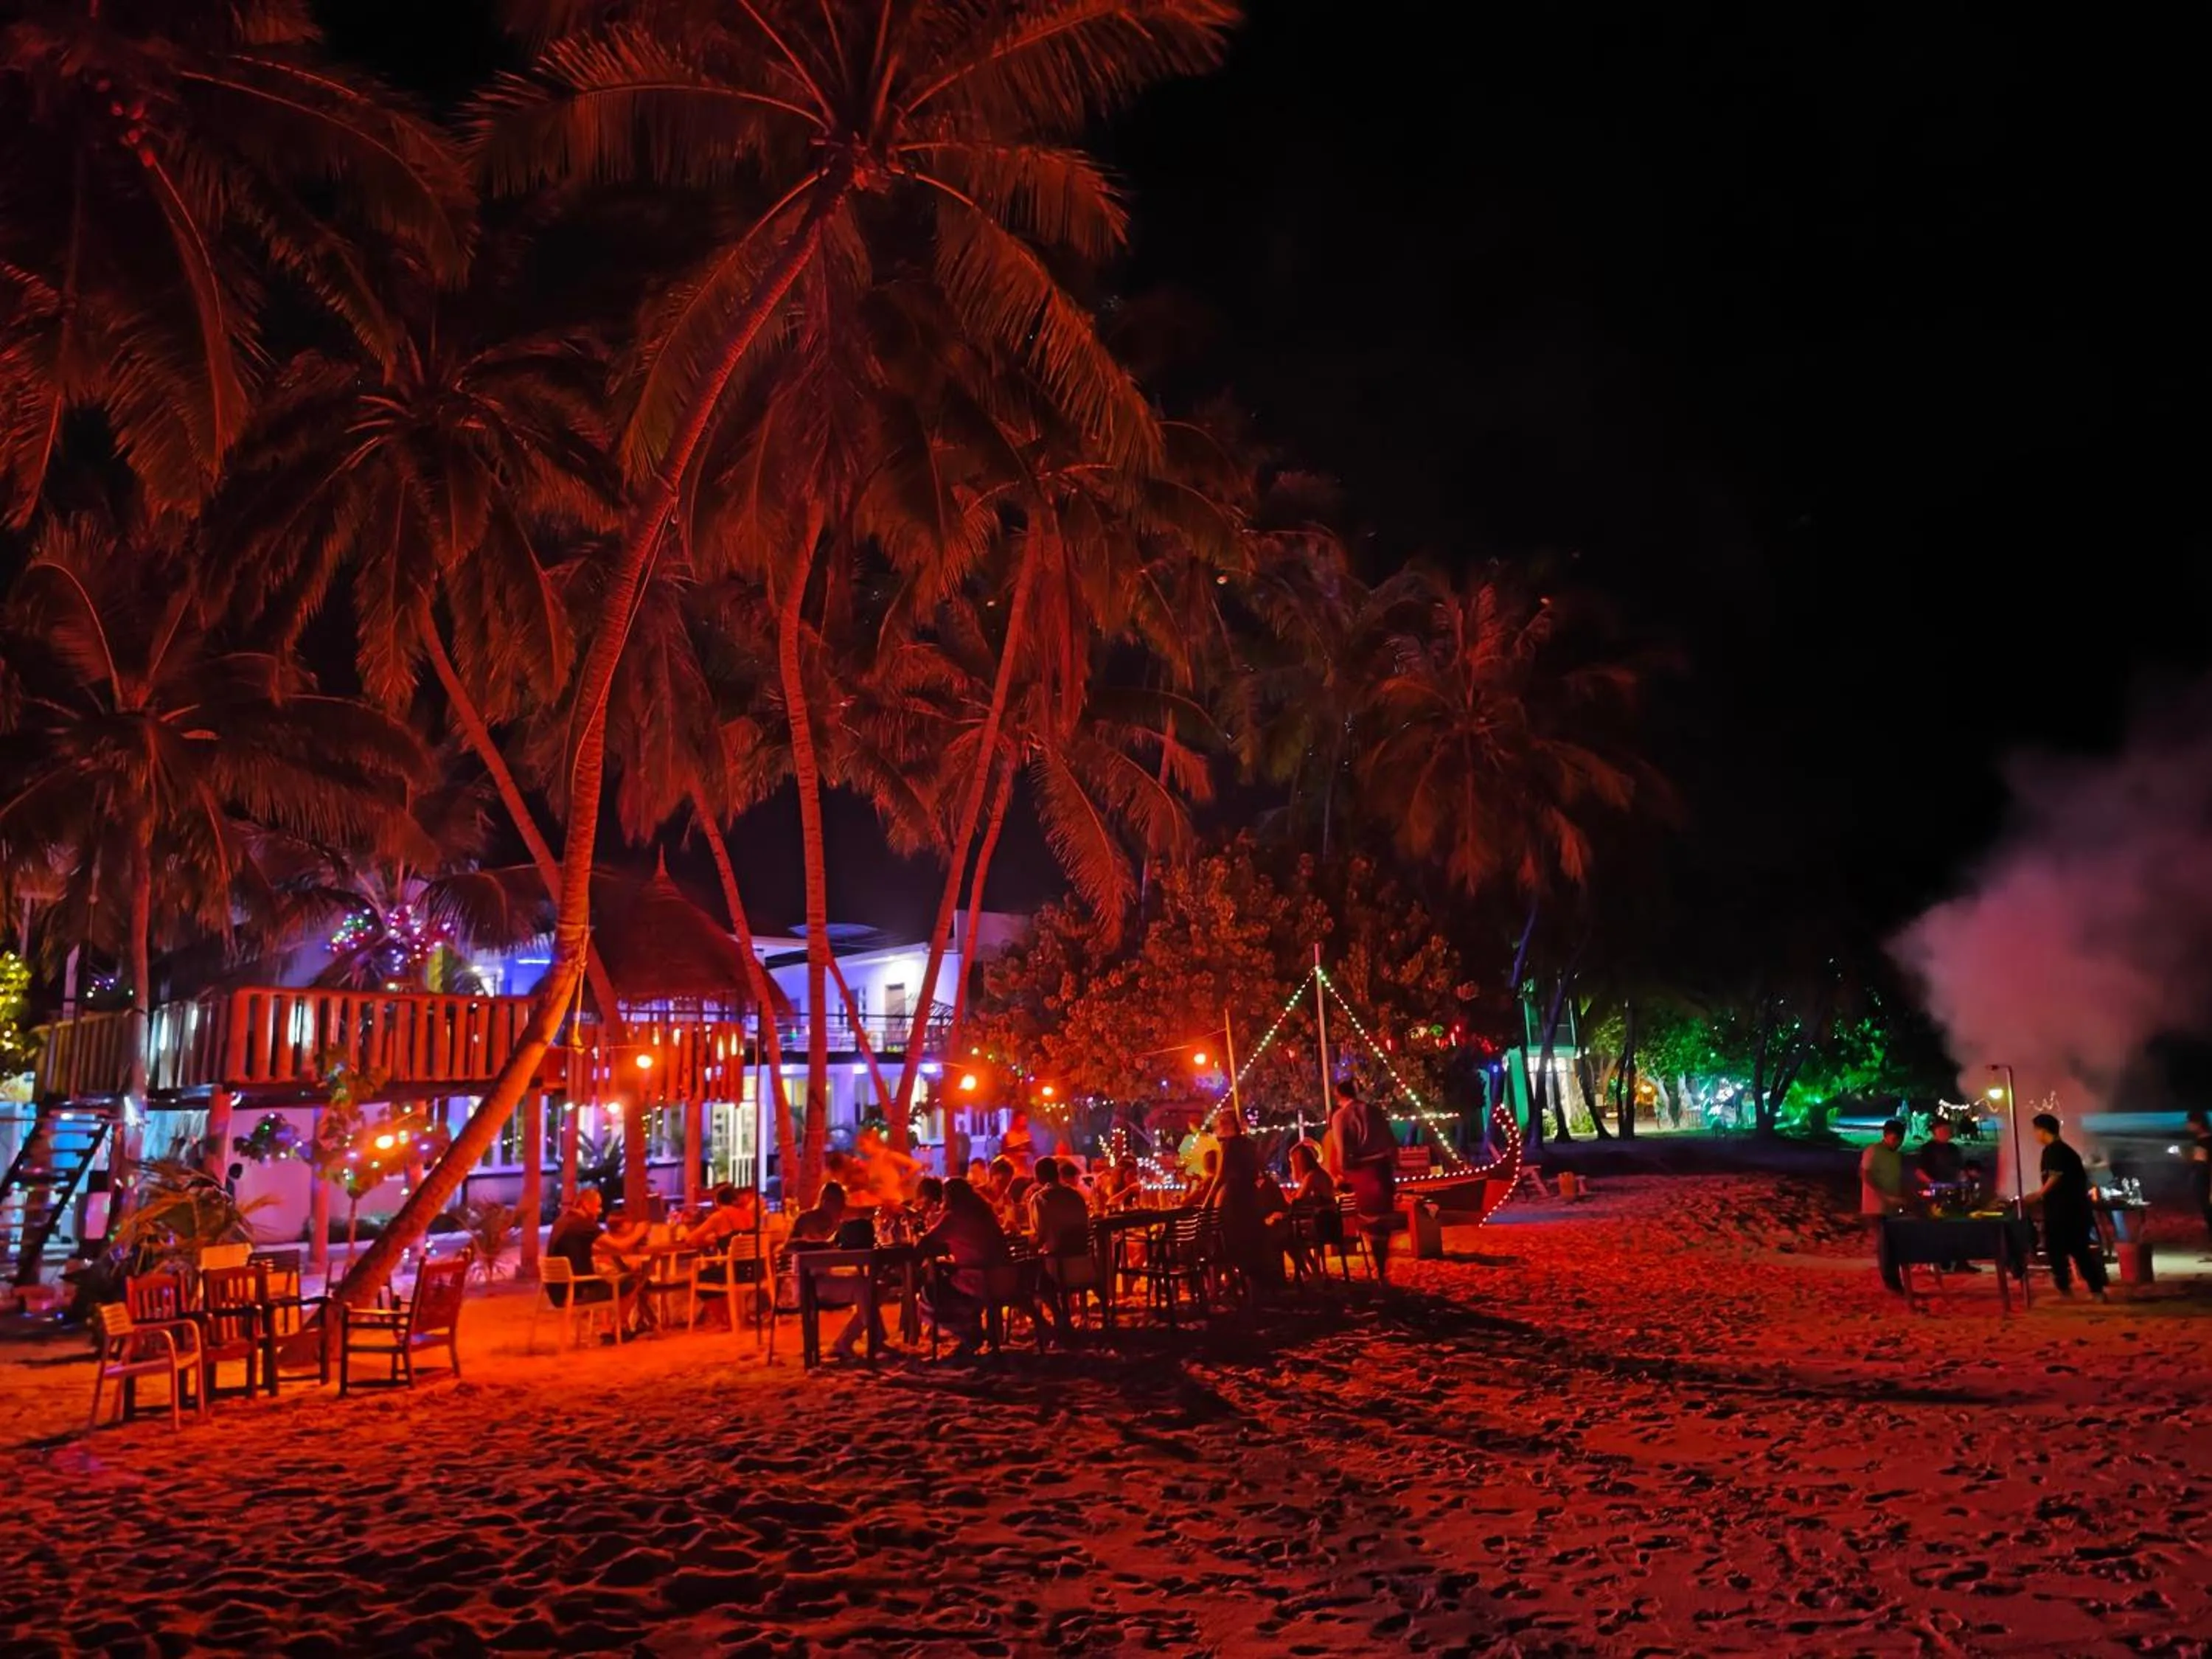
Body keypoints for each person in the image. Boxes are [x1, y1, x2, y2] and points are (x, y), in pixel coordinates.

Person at [917, 1178, 1016, 1357]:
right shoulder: (984, 1213)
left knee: (931, 1290)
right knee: (949, 1277)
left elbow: (926, 1242)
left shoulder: (953, 1216)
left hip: (983, 1281)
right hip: (1008, 1277)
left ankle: (969, 1334)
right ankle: (972, 1331)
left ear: (949, 1197)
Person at [2029, 1113, 2109, 1301]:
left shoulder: (2054, 1151)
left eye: (2035, 1131)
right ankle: (2091, 1291)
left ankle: (2075, 1291)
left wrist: (2038, 1195)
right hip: (2073, 1209)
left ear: (2042, 1130)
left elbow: (2055, 1176)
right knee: (2076, 1251)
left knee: (2065, 1251)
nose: (2034, 1135)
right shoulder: (2064, 1150)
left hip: (2065, 1211)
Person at [1329, 1078, 1400, 1285]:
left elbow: (1343, 1150)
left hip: (1364, 1172)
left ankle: (1379, 1271)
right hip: (1383, 1169)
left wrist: (1344, 1173)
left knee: (1373, 1223)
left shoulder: (1341, 1116)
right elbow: (1391, 1143)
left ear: (1338, 1095)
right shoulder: (1375, 1112)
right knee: (1382, 1224)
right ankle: (1382, 1268)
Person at [1028, 1157, 1093, 1339]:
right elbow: (1086, 1226)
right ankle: (1062, 1318)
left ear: (1038, 1177)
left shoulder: (1040, 1198)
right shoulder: (1075, 1195)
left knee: (1031, 1275)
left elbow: (1039, 1237)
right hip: (1084, 1261)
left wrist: (1029, 1244)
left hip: (1058, 1266)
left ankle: (1058, 1317)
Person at [1859, 1120, 1910, 1217]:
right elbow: (1864, 1174)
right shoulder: (1873, 1150)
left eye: (1901, 1139)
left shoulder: (1897, 1155)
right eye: (1894, 1139)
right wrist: (1884, 1196)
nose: (1898, 1143)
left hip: (1892, 1208)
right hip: (1874, 1209)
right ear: (1885, 1135)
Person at [2185, 1107, 2212, 1256]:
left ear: (2198, 1123)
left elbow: (2204, 1166)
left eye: (2189, 1122)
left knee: (2210, 1216)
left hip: (2207, 1185)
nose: (2187, 1125)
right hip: (2204, 1185)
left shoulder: (2205, 1142)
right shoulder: (2202, 1141)